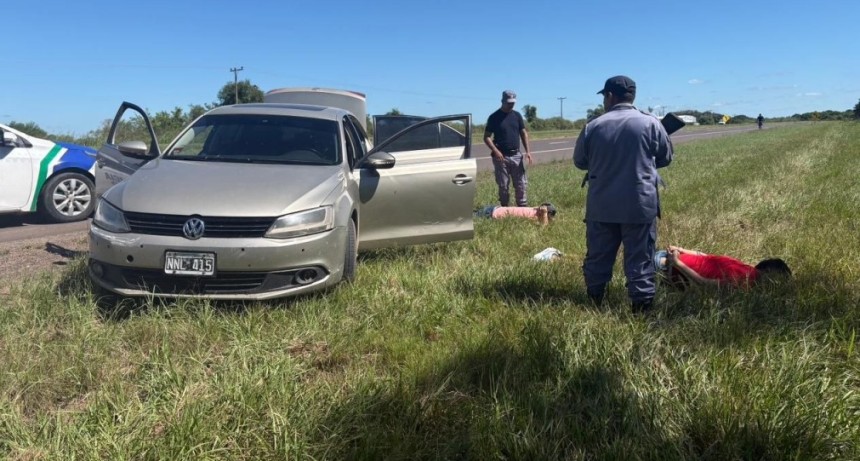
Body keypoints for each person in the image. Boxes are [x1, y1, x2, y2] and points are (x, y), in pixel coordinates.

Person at [573, 75, 674, 312]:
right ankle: (641, 306)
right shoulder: (650, 123)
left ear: (609, 96)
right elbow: (665, 157)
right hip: (639, 203)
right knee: (640, 256)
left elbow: (580, 162)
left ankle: (595, 300)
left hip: (602, 204)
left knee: (598, 255)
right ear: (633, 96)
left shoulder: (593, 126)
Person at [655, 245, 791, 288]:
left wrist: (680, 249)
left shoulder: (744, 266)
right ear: (769, 275)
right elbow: (703, 283)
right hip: (666, 269)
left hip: (666, 257)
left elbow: (705, 256)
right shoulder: (745, 282)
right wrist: (677, 263)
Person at [484, 90, 533, 206]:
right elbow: (486, 137)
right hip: (501, 158)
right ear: (502, 101)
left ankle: (522, 208)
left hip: (516, 155)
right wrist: (495, 151)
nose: (511, 105)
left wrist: (528, 152)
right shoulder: (494, 117)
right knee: (503, 185)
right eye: (509, 102)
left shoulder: (517, 116)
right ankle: (505, 209)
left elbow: (523, 133)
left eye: (513, 103)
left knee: (521, 183)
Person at [475, 203, 557, 225]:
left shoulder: (535, 217)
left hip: (493, 213)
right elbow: (544, 225)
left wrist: (545, 213)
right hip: (492, 211)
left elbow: (544, 224)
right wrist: (544, 212)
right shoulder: (534, 212)